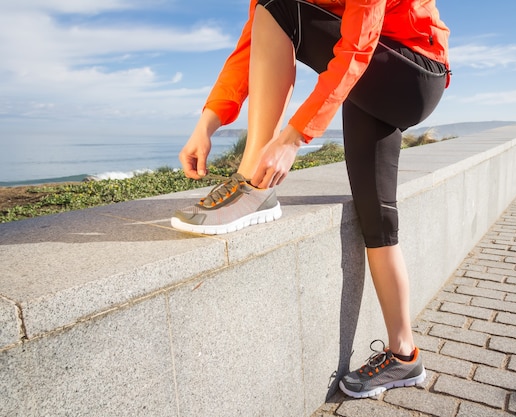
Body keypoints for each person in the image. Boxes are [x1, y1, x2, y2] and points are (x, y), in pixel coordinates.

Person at [172, 0, 450, 399]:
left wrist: (292, 138)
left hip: (411, 70)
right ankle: (404, 354)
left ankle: (253, 186)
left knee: (279, 7)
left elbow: (356, 44)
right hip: (372, 75)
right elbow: (252, 48)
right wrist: (207, 123)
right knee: (378, 218)